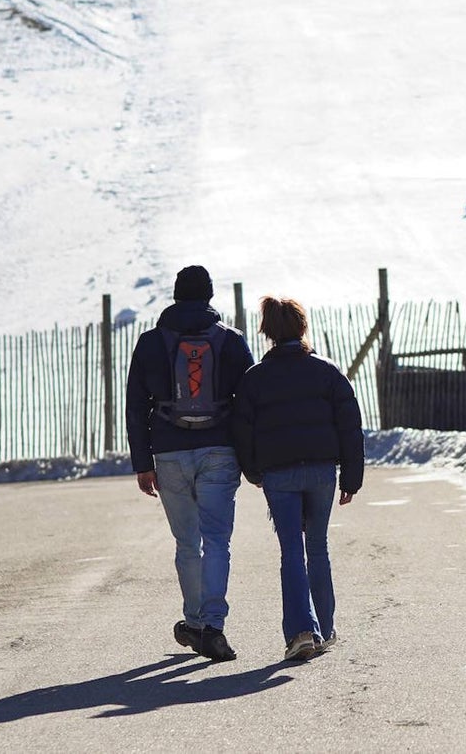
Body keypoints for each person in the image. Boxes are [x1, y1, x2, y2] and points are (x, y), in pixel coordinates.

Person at [126, 265, 254, 662]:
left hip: (168, 451)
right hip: (219, 450)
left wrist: (142, 463)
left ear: (176, 295)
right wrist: (251, 458)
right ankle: (213, 626)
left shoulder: (149, 343)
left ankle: (194, 620)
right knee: (218, 541)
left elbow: (134, 405)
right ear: (210, 296)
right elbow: (249, 403)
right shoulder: (230, 340)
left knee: (187, 543)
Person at [232, 296, 364, 662]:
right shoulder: (327, 371)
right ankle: (325, 627)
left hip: (278, 474)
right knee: (317, 547)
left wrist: (253, 471)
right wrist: (351, 478)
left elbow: (242, 430)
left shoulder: (254, 379)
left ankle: (302, 632)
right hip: (322, 470)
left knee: (291, 551)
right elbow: (350, 426)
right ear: (302, 327)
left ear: (268, 332)